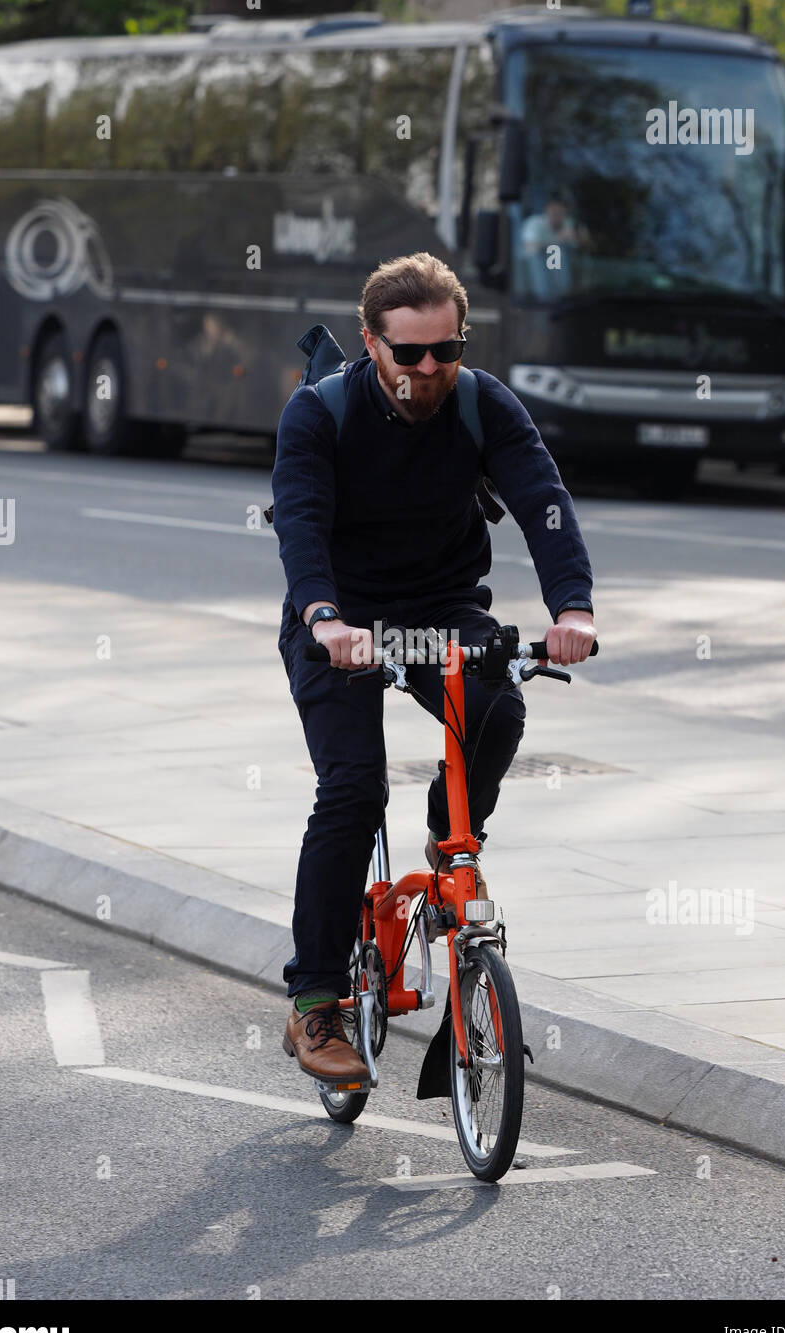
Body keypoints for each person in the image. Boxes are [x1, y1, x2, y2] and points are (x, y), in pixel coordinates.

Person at [273, 251, 595, 1083]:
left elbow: (542, 502)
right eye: (407, 352)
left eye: (444, 351)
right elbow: (300, 526)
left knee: (499, 707)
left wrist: (572, 609)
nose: (426, 370)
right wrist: (325, 620)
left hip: (441, 605)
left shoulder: (482, 403)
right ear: (370, 343)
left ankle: (451, 834)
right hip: (339, 617)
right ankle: (315, 1002)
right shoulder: (319, 413)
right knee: (352, 791)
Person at [519, 191, 588, 299]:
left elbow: (582, 250)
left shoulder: (567, 225)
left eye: (561, 213)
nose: (556, 216)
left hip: (562, 286)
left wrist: (580, 236)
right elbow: (530, 248)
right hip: (536, 284)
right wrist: (558, 239)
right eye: (554, 211)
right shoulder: (534, 224)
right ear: (547, 210)